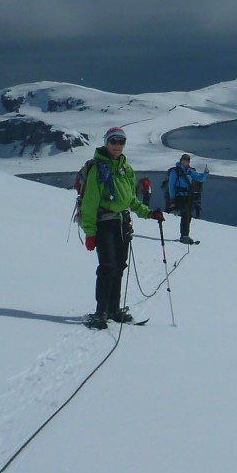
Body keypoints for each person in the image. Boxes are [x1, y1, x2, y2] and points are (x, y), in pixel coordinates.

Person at [74, 126, 162, 329]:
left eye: (121, 141)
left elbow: (130, 199)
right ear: (106, 143)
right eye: (113, 141)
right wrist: (90, 232)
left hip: (122, 223)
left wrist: (148, 213)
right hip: (104, 223)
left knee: (119, 267)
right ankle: (100, 312)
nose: (117, 145)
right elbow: (89, 203)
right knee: (107, 267)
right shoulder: (98, 168)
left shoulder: (125, 168)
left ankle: (113, 309)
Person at [166, 153, 209, 243]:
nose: (185, 161)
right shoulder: (175, 171)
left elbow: (199, 178)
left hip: (189, 197)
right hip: (180, 196)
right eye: (184, 160)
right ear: (181, 160)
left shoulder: (190, 171)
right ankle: (184, 236)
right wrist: (172, 199)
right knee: (185, 214)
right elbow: (171, 186)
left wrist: (206, 173)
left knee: (189, 215)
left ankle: (186, 235)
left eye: (187, 160)